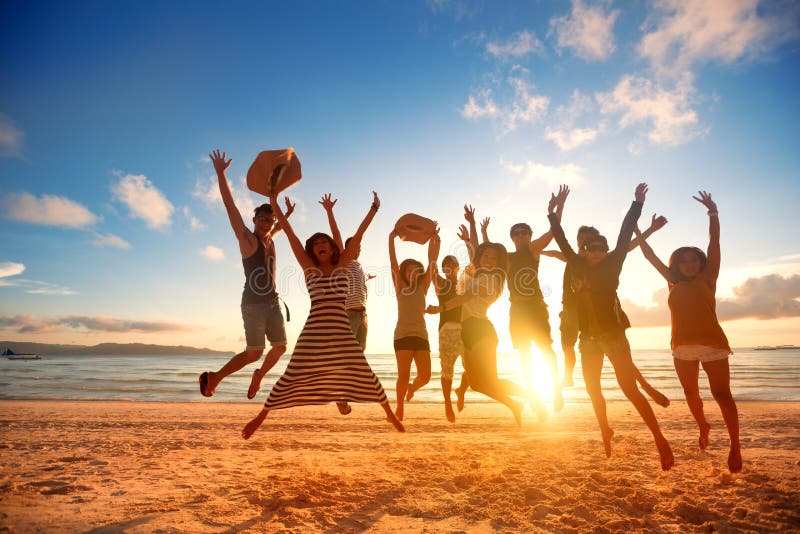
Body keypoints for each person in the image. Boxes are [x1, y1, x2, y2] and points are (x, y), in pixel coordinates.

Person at [242, 184, 404, 439]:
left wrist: (374, 209)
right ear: (312, 249)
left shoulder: (343, 264)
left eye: (324, 241)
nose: (320, 244)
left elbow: (359, 235)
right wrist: (274, 202)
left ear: (331, 246)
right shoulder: (308, 267)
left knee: (363, 370)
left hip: (340, 328)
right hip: (314, 331)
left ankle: (389, 414)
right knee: (291, 374)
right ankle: (261, 417)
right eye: (316, 243)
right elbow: (293, 237)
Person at [548, 182, 674, 471]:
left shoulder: (613, 262)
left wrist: (637, 204)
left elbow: (625, 232)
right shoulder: (576, 264)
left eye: (601, 248)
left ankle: (659, 438)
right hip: (588, 338)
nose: (596, 252)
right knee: (593, 389)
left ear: (606, 251)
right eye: (591, 249)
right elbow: (561, 238)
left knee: (629, 389)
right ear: (584, 250)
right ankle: (605, 428)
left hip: (613, 335)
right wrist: (552, 213)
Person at [634, 191, 741, 473]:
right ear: (677, 265)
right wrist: (636, 227)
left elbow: (714, 242)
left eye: (694, 259)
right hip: (681, 347)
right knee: (691, 394)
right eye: (684, 261)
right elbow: (648, 255)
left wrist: (713, 213)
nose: (690, 264)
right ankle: (702, 425)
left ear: (701, 263)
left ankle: (735, 445)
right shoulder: (672, 281)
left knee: (722, 395)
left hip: (713, 345)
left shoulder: (709, 278)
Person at [542, 218, 672, 408]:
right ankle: (564, 380)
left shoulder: (602, 257)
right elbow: (555, 251)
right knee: (567, 346)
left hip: (605, 309)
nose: (584, 240)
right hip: (572, 308)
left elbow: (628, 246)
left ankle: (646, 386)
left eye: (589, 238)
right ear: (578, 240)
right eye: (581, 237)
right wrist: (536, 251)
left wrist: (650, 230)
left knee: (618, 353)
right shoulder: (572, 256)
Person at [198, 149, 294, 400]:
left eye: (269, 220)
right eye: (262, 219)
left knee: (281, 347)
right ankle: (214, 377)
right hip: (253, 304)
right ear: (254, 219)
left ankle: (259, 376)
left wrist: (285, 215)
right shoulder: (247, 240)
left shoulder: (271, 237)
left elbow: (278, 228)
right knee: (253, 352)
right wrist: (220, 174)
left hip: (272, 302)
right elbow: (230, 206)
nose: (266, 223)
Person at [481, 186, 569, 413]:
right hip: (517, 309)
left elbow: (554, 231)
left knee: (546, 350)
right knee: (525, 354)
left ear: (529, 236)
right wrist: (482, 232)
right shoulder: (507, 259)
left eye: (524, 232)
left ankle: (556, 390)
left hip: (536, 307)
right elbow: (488, 254)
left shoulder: (532, 250)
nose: (520, 235)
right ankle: (534, 396)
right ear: (512, 238)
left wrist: (558, 207)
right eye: (516, 233)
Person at [320, 193, 375, 416]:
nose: (358, 249)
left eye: (359, 246)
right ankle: (339, 396)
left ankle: (344, 390)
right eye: (354, 246)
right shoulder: (343, 261)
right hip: (349, 314)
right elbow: (336, 235)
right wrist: (330, 212)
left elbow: (357, 286)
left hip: (362, 315)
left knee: (358, 355)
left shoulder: (358, 267)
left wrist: (365, 280)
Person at [389, 227, 440, 420]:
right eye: (409, 269)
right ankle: (399, 407)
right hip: (402, 335)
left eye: (416, 270)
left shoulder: (423, 287)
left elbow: (432, 262)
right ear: (404, 272)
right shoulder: (400, 287)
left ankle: (411, 388)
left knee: (425, 376)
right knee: (403, 374)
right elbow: (393, 262)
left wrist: (436, 240)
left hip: (421, 336)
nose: (413, 272)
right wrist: (391, 239)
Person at [425, 254, 468, 423]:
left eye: (452, 264)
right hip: (447, 330)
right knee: (447, 371)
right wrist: (434, 240)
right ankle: (448, 403)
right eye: (446, 265)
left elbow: (476, 262)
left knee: (472, 368)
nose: (449, 267)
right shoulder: (441, 283)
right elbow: (431, 265)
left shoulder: (464, 282)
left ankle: (461, 390)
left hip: (466, 329)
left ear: (458, 267)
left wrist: (468, 239)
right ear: (443, 269)